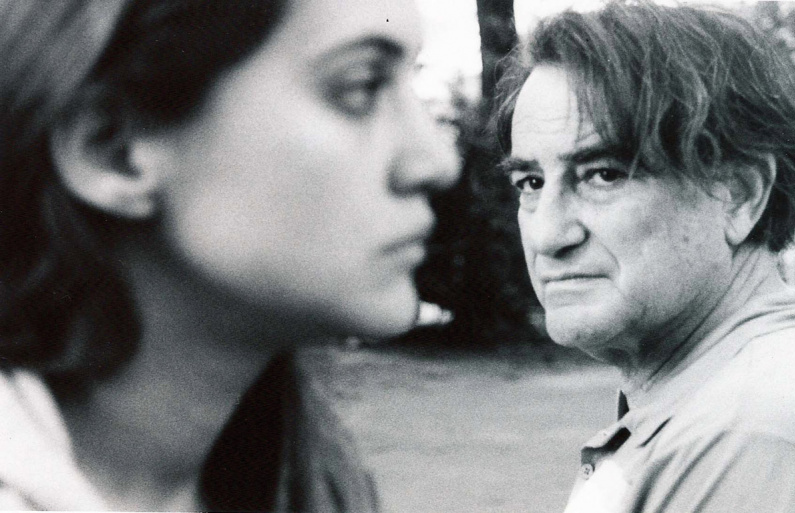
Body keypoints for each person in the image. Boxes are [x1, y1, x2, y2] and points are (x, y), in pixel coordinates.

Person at [0, 0, 458, 510]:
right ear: (113, 148)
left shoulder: (308, 474)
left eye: (413, 84)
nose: (438, 161)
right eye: (361, 86)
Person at [494, 3, 795, 512]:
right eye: (531, 182)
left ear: (740, 195)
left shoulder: (741, 435)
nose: (548, 236)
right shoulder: (719, 402)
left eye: (604, 174)